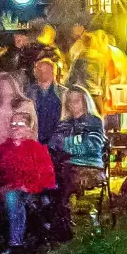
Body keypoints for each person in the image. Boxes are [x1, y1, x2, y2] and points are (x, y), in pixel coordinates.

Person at [0, 114, 56, 254]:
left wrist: (25, 186)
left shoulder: (38, 149)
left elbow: (47, 176)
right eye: (13, 124)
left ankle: (16, 245)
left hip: (30, 191)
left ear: (29, 129)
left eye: (21, 124)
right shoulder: (0, 150)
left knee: (13, 196)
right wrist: (0, 186)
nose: (16, 127)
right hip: (2, 190)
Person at [47, 86, 106, 237]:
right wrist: (75, 142)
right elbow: (53, 144)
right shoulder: (64, 123)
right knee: (53, 176)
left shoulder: (94, 122)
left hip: (89, 166)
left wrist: (67, 144)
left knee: (62, 178)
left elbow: (91, 145)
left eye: (77, 101)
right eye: (70, 101)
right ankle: (56, 221)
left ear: (85, 102)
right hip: (65, 166)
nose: (73, 105)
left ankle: (60, 222)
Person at [0, 71, 36, 157]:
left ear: (14, 85)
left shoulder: (26, 105)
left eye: (7, 84)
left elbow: (33, 131)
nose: (4, 88)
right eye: (1, 85)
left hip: (23, 154)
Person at [28, 58, 64, 145]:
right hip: (35, 140)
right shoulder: (28, 92)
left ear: (53, 72)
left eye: (47, 70)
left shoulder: (63, 93)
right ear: (35, 72)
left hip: (57, 140)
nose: (43, 73)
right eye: (40, 70)